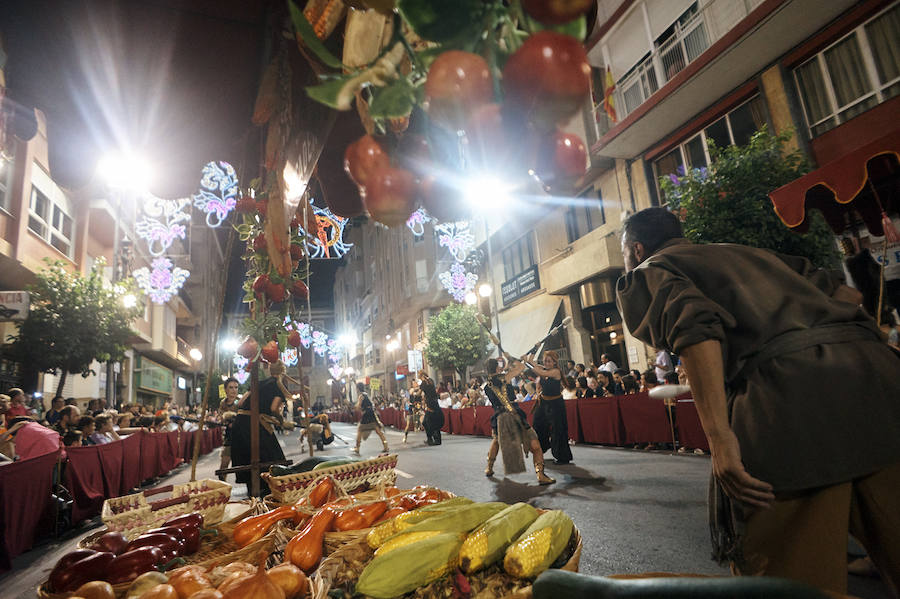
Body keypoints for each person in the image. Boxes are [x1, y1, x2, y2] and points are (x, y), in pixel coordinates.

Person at [615, 207, 900, 595]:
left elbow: (695, 329)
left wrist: (719, 438)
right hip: (880, 381)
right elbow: (845, 293)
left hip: (789, 405)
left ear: (636, 249)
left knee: (789, 582)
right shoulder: (753, 253)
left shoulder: (649, 271)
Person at [482, 357, 554, 485]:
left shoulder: (487, 386)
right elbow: (521, 367)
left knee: (497, 441)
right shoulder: (505, 377)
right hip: (514, 415)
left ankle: (489, 468)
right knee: (535, 445)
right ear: (497, 367)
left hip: (499, 417)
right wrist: (510, 357)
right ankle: (541, 475)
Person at [231, 362, 289, 497]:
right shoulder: (278, 386)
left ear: (270, 370)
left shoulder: (258, 383)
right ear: (283, 372)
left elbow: (240, 403)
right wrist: (280, 420)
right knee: (272, 456)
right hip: (254, 425)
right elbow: (274, 408)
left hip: (240, 423)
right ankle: (269, 490)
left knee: (247, 457)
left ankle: (252, 490)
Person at [527, 350, 573, 465]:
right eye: (545, 361)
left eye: (549, 361)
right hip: (543, 403)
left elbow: (539, 372)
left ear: (554, 362)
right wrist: (535, 348)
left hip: (556, 404)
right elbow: (530, 361)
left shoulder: (555, 372)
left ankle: (562, 457)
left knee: (558, 429)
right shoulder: (544, 369)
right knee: (538, 425)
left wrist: (528, 363)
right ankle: (541, 449)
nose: (546, 363)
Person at [353, 382, 389, 455]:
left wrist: (355, 408)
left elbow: (359, 406)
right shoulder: (366, 394)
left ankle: (357, 448)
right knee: (378, 431)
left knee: (360, 429)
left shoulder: (361, 396)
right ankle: (386, 446)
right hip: (372, 413)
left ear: (358, 389)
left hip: (366, 414)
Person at [217, 377, 241, 481]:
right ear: (225, 389)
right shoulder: (223, 403)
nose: (234, 390)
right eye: (231, 387)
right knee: (224, 465)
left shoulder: (240, 402)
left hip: (241, 436)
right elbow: (221, 417)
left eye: (236, 387)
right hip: (229, 437)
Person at [418, 371, 444, 446]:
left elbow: (419, 393)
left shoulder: (423, 383)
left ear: (422, 375)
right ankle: (436, 439)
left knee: (426, 422)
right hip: (435, 403)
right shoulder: (431, 380)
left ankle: (430, 440)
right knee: (434, 421)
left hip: (430, 404)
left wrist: (415, 392)